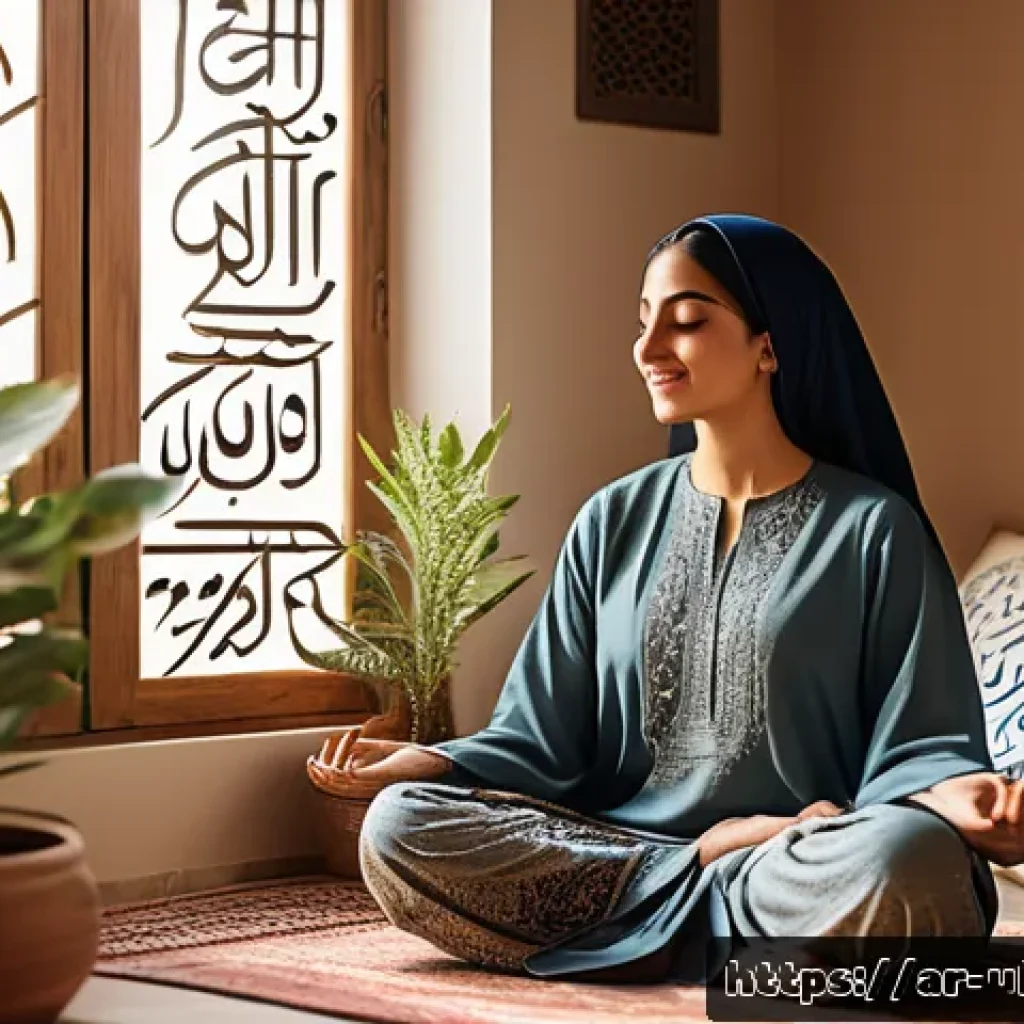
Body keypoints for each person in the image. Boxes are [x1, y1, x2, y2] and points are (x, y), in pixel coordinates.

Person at [308, 214, 1024, 985]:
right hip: (633, 853)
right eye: (644, 324)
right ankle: (711, 897)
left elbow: (921, 744)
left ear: (769, 343)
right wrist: (427, 760)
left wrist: (960, 797)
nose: (649, 351)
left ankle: (654, 926)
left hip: (799, 860)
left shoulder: (874, 531)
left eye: (685, 322)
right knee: (399, 827)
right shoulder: (611, 521)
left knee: (903, 864)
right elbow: (539, 739)